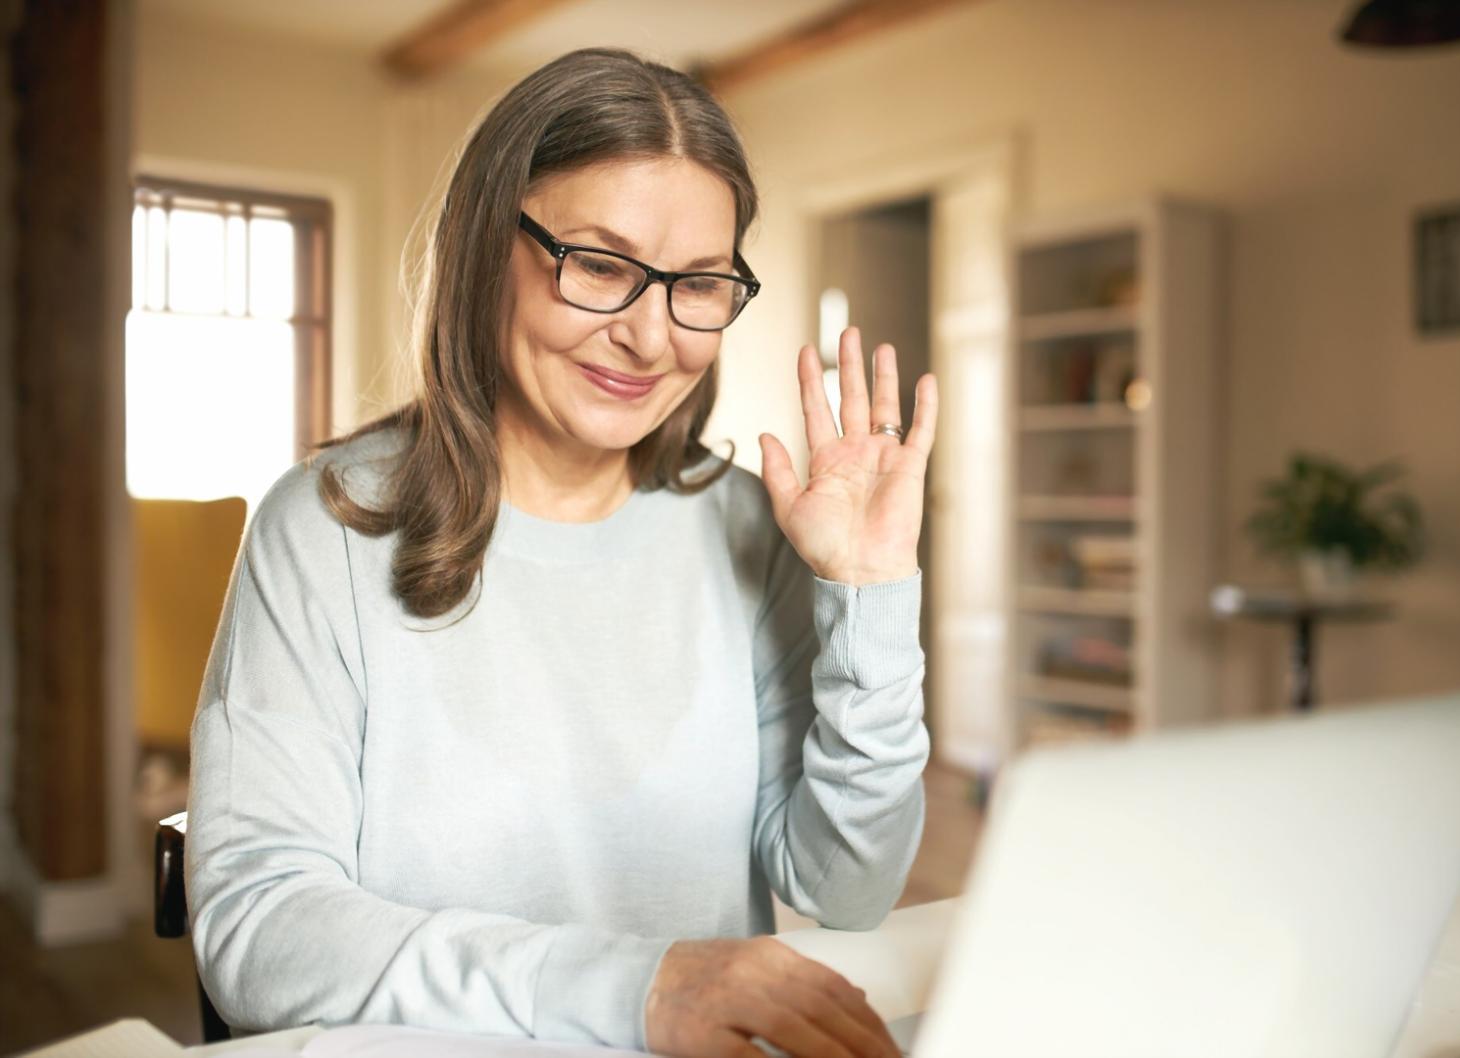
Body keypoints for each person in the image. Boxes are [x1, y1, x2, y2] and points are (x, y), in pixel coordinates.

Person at [185, 47, 937, 1058]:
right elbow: (259, 929)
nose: (650, 335)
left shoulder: (752, 526)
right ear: (486, 246)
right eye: (599, 264)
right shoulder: (326, 526)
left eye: (699, 283)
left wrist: (870, 599)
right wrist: (633, 984)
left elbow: (848, 887)